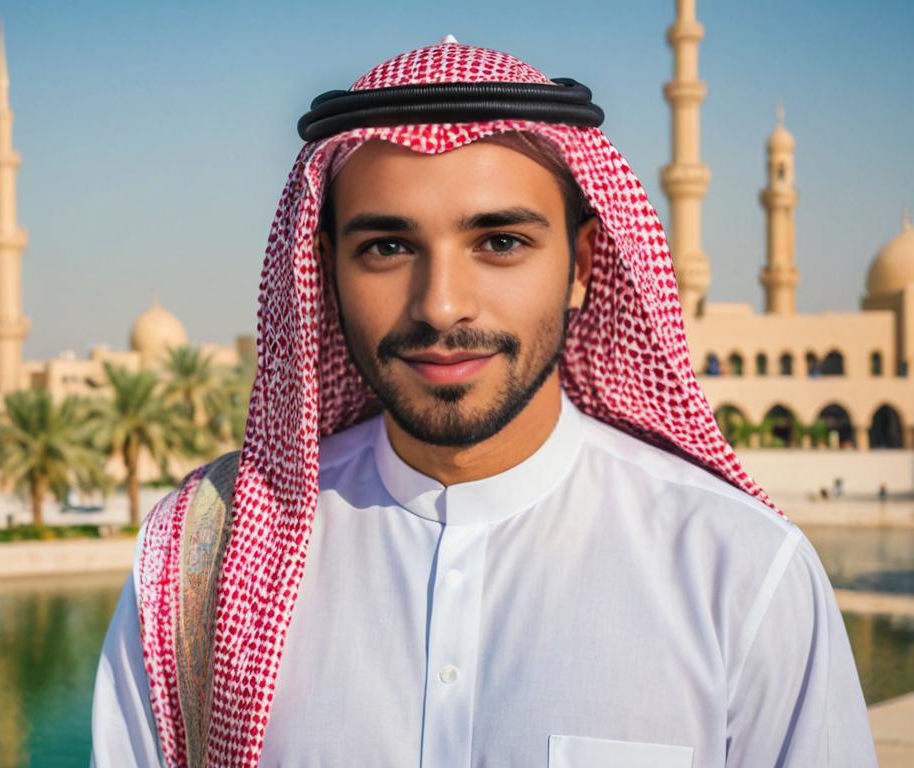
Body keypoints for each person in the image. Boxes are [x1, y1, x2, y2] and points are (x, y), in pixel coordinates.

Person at [89, 38, 878, 767]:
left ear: (582, 266)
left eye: (500, 242)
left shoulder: (739, 572)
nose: (440, 306)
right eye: (387, 247)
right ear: (324, 270)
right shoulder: (200, 569)